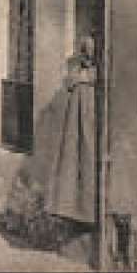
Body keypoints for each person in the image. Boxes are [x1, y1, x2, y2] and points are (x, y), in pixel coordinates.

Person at [44, 36, 99, 225]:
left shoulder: (92, 78)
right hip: (76, 125)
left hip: (90, 123)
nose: (86, 57)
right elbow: (69, 81)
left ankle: (87, 209)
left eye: (90, 53)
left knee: (89, 159)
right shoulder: (77, 77)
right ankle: (70, 207)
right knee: (71, 161)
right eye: (84, 52)